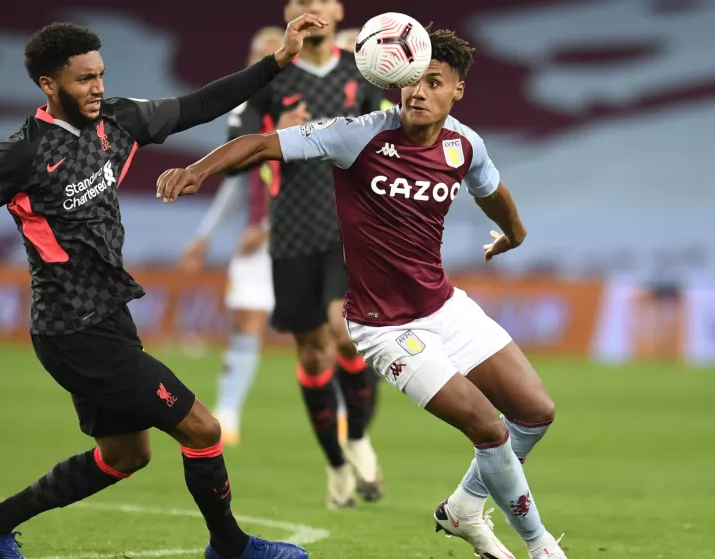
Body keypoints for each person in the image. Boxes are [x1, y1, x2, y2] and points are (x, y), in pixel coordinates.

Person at [0, 17, 326, 559]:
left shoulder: (119, 120)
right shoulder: (21, 153)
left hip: (107, 316)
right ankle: (231, 547)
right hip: (73, 328)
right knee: (202, 429)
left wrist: (278, 60)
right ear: (48, 85)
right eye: (84, 79)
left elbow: (200, 105)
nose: (98, 87)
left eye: (100, 75)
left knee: (125, 456)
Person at [156, 27, 569, 559]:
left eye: (434, 82)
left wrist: (515, 233)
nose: (418, 92)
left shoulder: (464, 145)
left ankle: (464, 508)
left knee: (535, 412)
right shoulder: (359, 135)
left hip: (443, 306)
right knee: (489, 428)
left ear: (457, 90)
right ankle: (540, 546)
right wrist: (196, 170)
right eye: (411, 81)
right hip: (383, 327)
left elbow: (492, 190)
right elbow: (260, 143)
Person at [227, 0, 387, 509]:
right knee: (313, 352)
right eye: (301, 0)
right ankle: (336, 464)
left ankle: (357, 436)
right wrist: (274, 128)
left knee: (344, 333)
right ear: (290, 11)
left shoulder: (364, 73)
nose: (312, 6)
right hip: (292, 237)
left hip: (348, 232)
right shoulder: (270, 77)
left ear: (337, 9)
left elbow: (391, 144)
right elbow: (233, 150)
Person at [179, 26, 285, 447]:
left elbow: (326, 184)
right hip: (257, 244)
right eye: (258, 55)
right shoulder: (248, 114)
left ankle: (346, 422)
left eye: (272, 55)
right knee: (246, 323)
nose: (263, 63)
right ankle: (228, 412)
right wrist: (204, 236)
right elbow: (237, 184)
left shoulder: (314, 109)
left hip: (311, 240)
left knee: (330, 333)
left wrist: (270, 227)